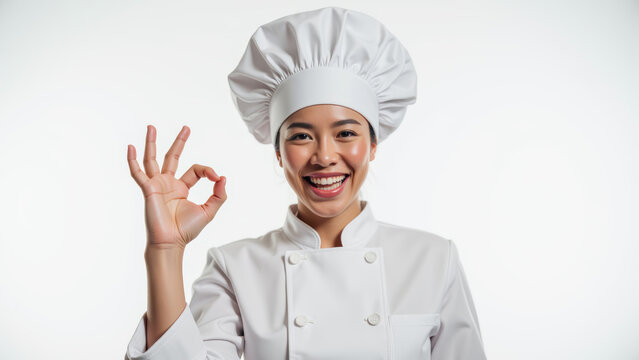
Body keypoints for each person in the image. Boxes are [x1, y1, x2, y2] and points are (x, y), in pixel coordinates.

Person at [125, 6, 487, 360]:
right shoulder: (235, 268)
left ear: (373, 146)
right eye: (300, 137)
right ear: (279, 152)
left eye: (345, 132)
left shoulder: (433, 260)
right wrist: (165, 251)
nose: (324, 156)